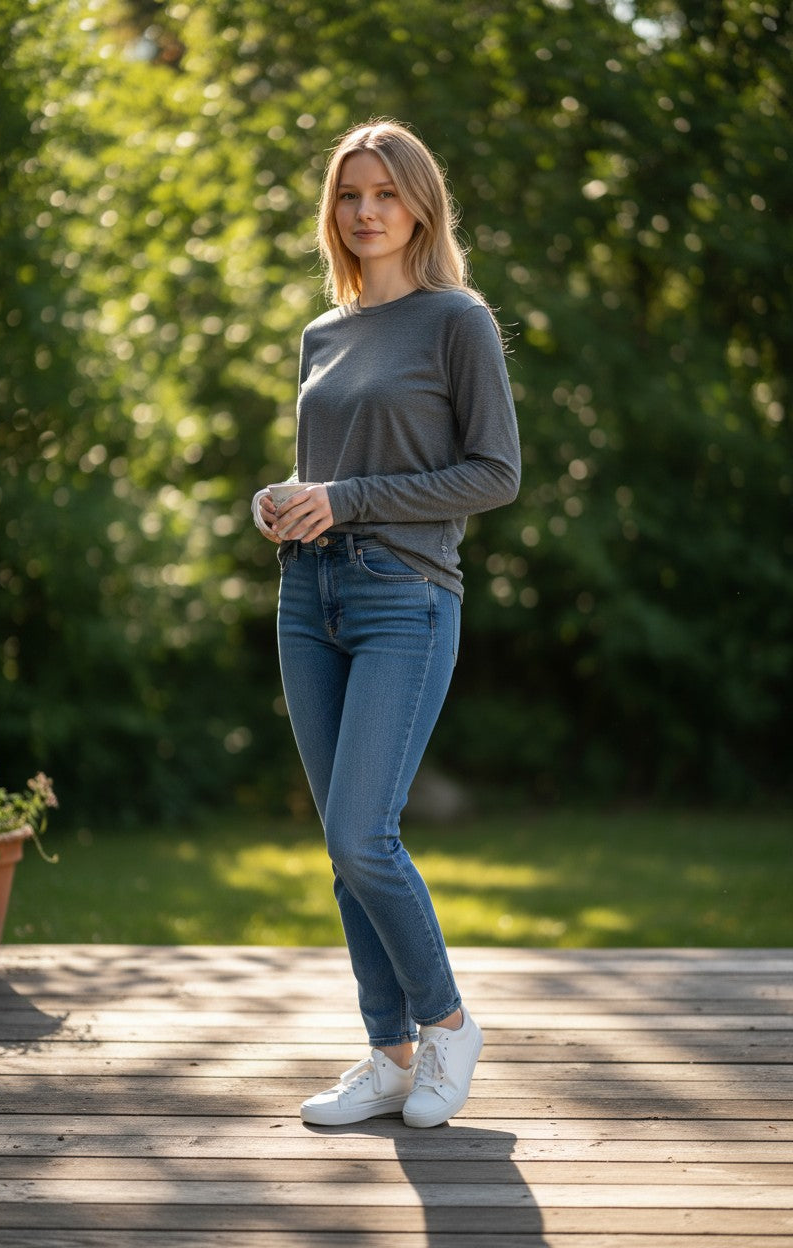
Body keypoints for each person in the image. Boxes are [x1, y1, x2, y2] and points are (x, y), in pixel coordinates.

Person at [251, 119, 520, 1128]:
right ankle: (390, 1053)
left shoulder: (458, 321)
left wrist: (349, 498)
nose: (364, 212)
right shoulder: (324, 333)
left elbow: (495, 473)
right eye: (348, 195)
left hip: (403, 594)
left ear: (420, 204)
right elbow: (328, 469)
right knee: (338, 844)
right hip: (306, 596)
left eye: (383, 194)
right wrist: (283, 499)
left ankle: (446, 1024)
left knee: (366, 835)